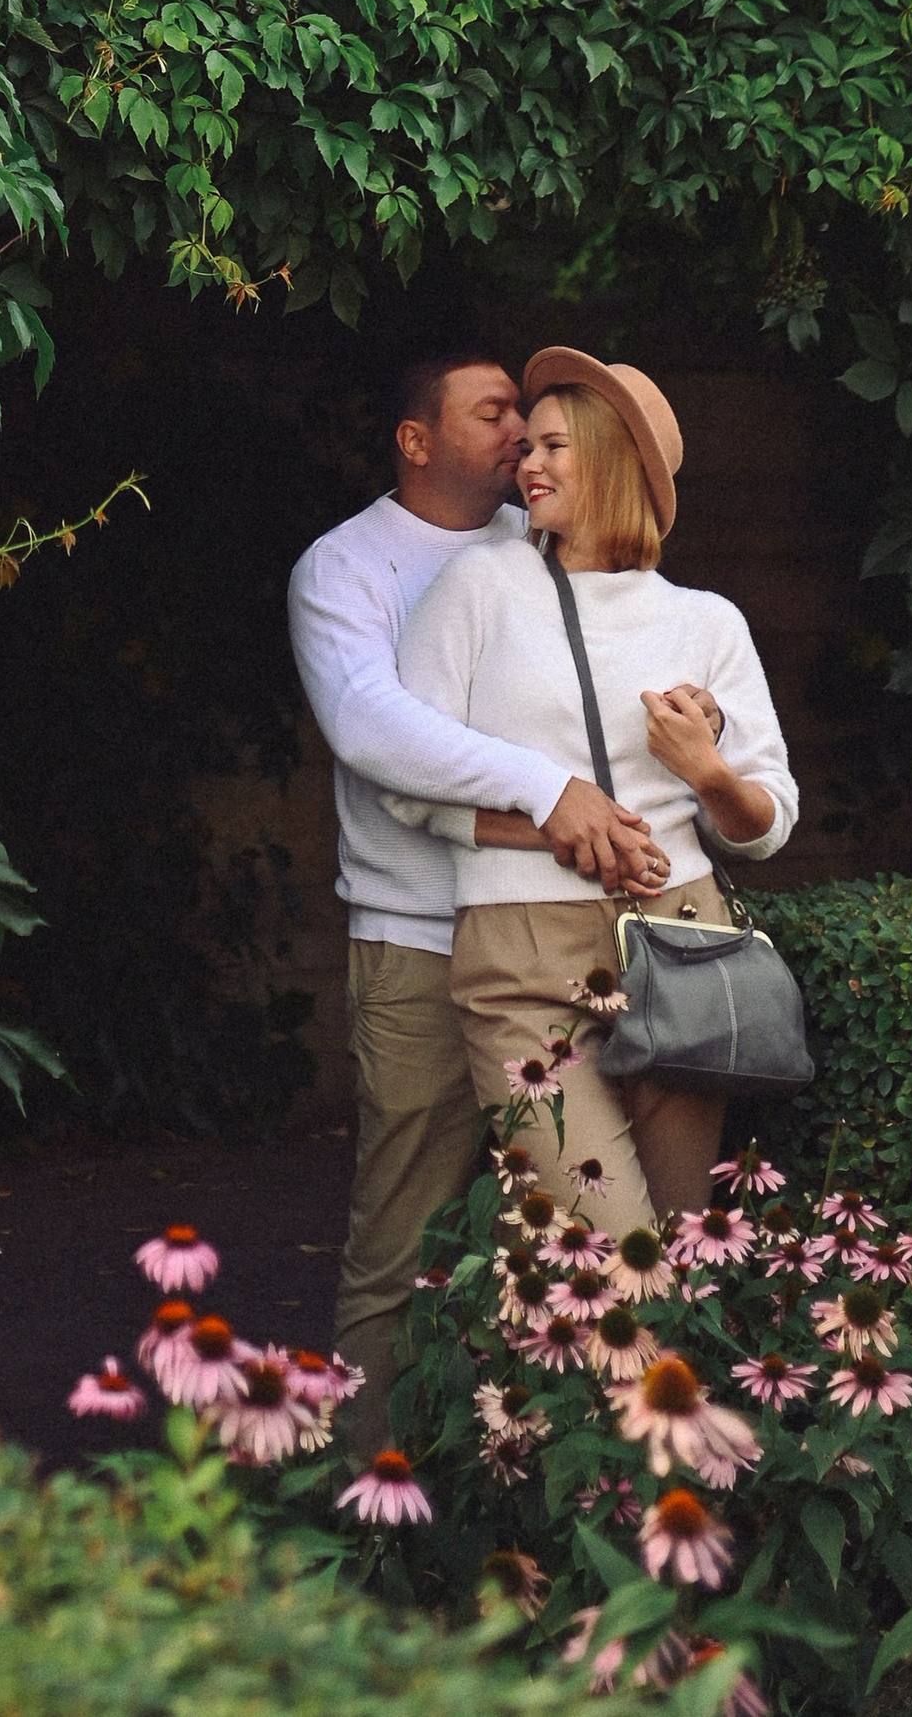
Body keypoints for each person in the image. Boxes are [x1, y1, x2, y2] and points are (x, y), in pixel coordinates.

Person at [287, 349, 671, 1453]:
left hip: (553, 931)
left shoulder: (541, 546)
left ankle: (519, 1505)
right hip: (415, 939)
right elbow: (374, 730)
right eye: (492, 411)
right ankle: (370, 1504)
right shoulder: (344, 566)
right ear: (417, 440)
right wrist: (546, 795)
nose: (520, 433)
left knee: (559, 1239)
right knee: (400, 1237)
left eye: (527, 416)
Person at [390, 346, 798, 1228]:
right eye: (525, 446)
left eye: (553, 447)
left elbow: (767, 823)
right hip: (518, 954)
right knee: (607, 1253)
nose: (526, 464)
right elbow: (408, 779)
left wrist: (707, 771)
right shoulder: (478, 586)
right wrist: (551, 823)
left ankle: (662, 1371)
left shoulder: (706, 620)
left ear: (616, 460)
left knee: (683, 1241)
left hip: (680, 940)